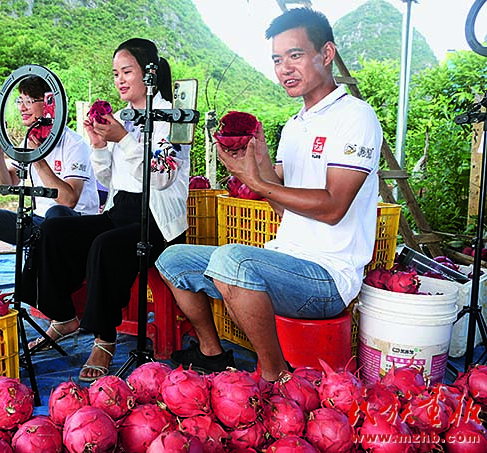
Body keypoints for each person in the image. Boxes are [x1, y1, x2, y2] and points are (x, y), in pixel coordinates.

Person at [156, 7, 382, 381]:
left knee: (233, 262)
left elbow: (333, 207)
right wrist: (253, 168)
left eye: (295, 55)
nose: (284, 69)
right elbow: (280, 204)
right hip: (285, 261)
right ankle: (212, 352)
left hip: (327, 277)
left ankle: (276, 376)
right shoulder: (294, 126)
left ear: (326, 54)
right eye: (278, 59)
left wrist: (260, 182)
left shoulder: (355, 117)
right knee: (174, 259)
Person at [28, 38, 189, 382]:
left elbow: (160, 178)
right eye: (115, 73)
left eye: (126, 71)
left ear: (150, 74)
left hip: (156, 220)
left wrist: (123, 140)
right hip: (120, 210)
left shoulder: (172, 119)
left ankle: (104, 339)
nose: (119, 79)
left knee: (106, 245)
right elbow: (106, 178)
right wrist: (100, 147)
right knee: (53, 230)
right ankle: (63, 315)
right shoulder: (123, 119)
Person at [0, 76, 100, 298]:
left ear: (49, 103)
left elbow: (68, 200)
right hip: (38, 223)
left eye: (29, 101)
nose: (22, 108)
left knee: (56, 212)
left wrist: (38, 159)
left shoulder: (74, 144)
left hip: (73, 224)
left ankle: (34, 289)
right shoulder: (30, 140)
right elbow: (6, 185)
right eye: (20, 101)